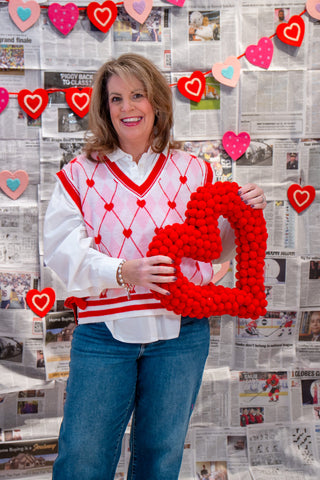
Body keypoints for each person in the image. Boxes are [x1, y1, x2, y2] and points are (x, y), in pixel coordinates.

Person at [43, 53, 267, 480]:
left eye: (137, 95)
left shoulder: (195, 170)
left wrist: (242, 219)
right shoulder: (79, 173)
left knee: (160, 455)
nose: (127, 107)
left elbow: (213, 253)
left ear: (157, 103)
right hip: (105, 335)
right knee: (84, 458)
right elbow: (61, 253)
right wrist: (125, 272)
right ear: (104, 108)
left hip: (181, 336)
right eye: (116, 98)